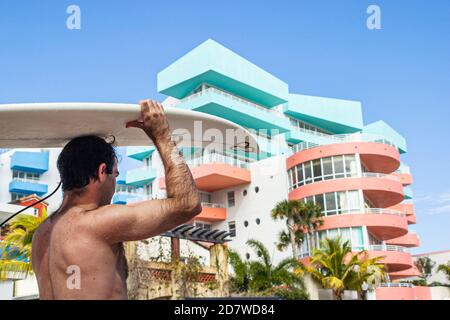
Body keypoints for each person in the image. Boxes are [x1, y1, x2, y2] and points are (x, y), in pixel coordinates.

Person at [32, 100, 201, 299]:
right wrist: (162, 135)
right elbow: (188, 204)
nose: (114, 183)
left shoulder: (42, 234)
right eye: (116, 174)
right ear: (102, 171)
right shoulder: (96, 223)